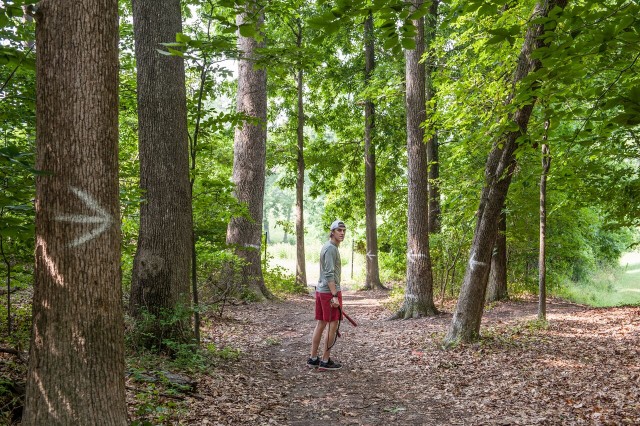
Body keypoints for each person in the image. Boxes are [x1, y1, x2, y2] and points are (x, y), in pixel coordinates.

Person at [307, 220, 346, 371]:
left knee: (322, 323)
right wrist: (335, 295)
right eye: (339, 230)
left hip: (322, 291)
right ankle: (324, 360)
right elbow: (329, 274)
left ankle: (313, 358)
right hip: (329, 292)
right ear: (332, 232)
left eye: (343, 230)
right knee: (332, 325)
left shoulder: (330, 247)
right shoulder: (330, 248)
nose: (342, 233)